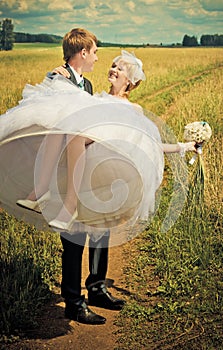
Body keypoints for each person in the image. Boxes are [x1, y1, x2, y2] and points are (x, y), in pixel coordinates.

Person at [0, 29, 196, 325]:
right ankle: (73, 301)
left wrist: (183, 146)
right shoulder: (92, 94)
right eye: (111, 65)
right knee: (74, 236)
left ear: (131, 80)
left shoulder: (128, 107)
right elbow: (65, 116)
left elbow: (147, 142)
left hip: (104, 178)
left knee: (102, 230)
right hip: (75, 173)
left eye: (119, 67)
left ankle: (97, 288)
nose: (111, 69)